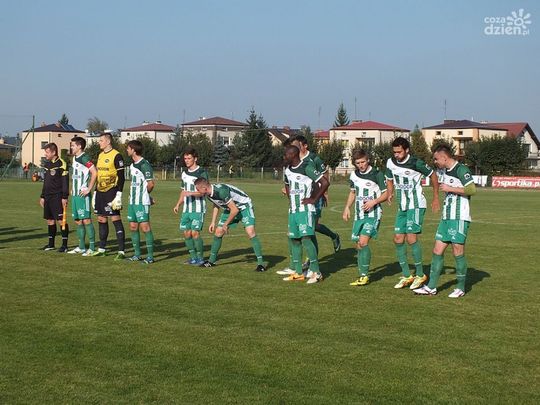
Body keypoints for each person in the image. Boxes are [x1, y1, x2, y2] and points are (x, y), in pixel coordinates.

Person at [413, 145, 476, 298]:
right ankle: (431, 287)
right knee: (437, 251)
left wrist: (450, 188)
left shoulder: (461, 169)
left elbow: (472, 189)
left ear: (444, 157)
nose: (435, 162)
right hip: (446, 218)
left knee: (457, 252)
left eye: (436, 159)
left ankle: (460, 288)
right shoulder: (445, 171)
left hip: (459, 217)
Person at [385, 136, 440, 290]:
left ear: (407, 150)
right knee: (398, 239)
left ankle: (420, 274)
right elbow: (389, 179)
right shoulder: (390, 162)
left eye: (399, 152)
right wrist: (390, 192)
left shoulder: (416, 163)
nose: (396, 155)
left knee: (411, 238)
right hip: (402, 206)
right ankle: (407, 275)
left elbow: (433, 175)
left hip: (416, 205)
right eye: (395, 152)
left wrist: (436, 197)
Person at [193, 178, 266, 272]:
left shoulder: (221, 191)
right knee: (218, 232)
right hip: (230, 208)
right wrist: (213, 222)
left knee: (250, 231)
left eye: (198, 189)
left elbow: (235, 210)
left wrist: (226, 224)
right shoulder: (208, 194)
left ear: (204, 188)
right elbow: (216, 205)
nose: (197, 191)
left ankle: (261, 264)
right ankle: (211, 261)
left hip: (244, 206)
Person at [282, 144, 329, 284]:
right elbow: (287, 185)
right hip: (293, 211)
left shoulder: (306, 167)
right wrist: (290, 199)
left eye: (286, 154)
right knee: (294, 240)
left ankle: (316, 272)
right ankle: (298, 273)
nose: (284, 157)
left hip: (305, 210)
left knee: (306, 239)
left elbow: (324, 182)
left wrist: (314, 199)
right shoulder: (287, 170)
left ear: (293, 155)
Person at [342, 149, 388, 286]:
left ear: (368, 160)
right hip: (359, 215)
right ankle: (362, 274)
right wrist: (347, 208)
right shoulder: (353, 175)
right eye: (358, 163)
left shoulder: (377, 174)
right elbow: (352, 192)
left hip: (373, 214)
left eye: (363, 162)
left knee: (363, 242)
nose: (361, 165)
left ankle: (364, 276)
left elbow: (386, 194)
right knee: (358, 245)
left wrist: (374, 202)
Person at [91, 132, 126, 260]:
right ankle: (102, 249)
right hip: (100, 191)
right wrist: (95, 192)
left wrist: (119, 194)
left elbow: (121, 177)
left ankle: (121, 251)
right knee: (101, 219)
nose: (99, 142)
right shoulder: (100, 155)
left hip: (112, 191)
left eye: (101, 140)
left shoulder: (117, 155)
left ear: (108, 141)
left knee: (115, 218)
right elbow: (99, 175)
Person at [173, 148, 208, 265]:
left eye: (189, 158)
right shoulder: (184, 173)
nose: (186, 160)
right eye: (185, 158)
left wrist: (191, 193)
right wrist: (178, 204)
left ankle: (200, 258)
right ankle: (193, 258)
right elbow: (183, 191)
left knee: (195, 233)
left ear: (195, 159)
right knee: (186, 233)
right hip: (186, 209)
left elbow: (204, 192)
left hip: (198, 209)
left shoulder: (201, 172)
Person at [126, 140, 155, 264]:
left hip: (141, 202)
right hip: (132, 201)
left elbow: (151, 183)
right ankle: (137, 254)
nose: (127, 150)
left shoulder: (144, 164)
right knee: (133, 227)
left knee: (145, 227)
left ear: (133, 150)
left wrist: (146, 195)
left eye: (128, 148)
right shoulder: (132, 165)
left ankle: (150, 257)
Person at [67, 136, 97, 256]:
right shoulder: (75, 158)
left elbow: (94, 172)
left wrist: (89, 189)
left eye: (73, 145)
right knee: (78, 220)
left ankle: (92, 248)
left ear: (79, 146)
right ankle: (81, 247)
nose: (71, 147)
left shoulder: (84, 158)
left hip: (82, 195)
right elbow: (75, 175)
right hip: (75, 194)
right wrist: (72, 188)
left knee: (86, 220)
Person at [39, 143, 69, 252]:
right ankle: (51, 244)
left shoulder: (61, 163)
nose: (45, 154)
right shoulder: (47, 164)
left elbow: (65, 181)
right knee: (50, 220)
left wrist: (64, 197)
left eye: (47, 152)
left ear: (54, 152)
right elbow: (46, 182)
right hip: (47, 196)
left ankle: (64, 246)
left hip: (57, 196)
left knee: (61, 220)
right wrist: (42, 196)